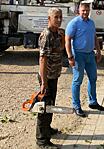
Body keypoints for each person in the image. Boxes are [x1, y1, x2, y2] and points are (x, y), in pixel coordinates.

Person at [65, 2, 104, 117]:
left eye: (87, 10)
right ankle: (76, 106)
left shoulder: (91, 23)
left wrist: (98, 51)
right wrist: (70, 56)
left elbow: (94, 37)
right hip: (78, 55)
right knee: (78, 80)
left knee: (93, 78)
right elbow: (67, 40)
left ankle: (93, 102)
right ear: (79, 11)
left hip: (90, 55)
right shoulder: (74, 23)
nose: (85, 12)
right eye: (83, 10)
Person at [36, 8, 64, 149]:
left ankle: (48, 129)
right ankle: (42, 141)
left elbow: (60, 50)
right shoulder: (46, 35)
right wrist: (44, 82)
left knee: (50, 105)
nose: (59, 20)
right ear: (49, 18)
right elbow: (42, 60)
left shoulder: (58, 33)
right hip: (47, 78)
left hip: (54, 76)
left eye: (60, 17)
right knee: (44, 108)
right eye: (56, 17)